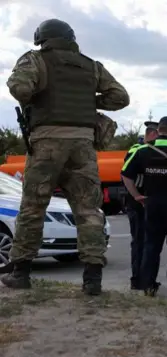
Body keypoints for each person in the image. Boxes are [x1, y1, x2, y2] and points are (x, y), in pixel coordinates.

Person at [1, 18, 130, 295]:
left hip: (47, 142)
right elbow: (120, 97)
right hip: (84, 145)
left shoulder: (36, 59)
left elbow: (20, 89)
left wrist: (41, 93)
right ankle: (92, 279)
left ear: (42, 38)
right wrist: (89, 99)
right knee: (88, 210)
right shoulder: (91, 65)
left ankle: (20, 272)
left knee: (33, 206)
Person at [121, 116, 167, 297]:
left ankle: (148, 286)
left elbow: (125, 174)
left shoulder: (142, 151)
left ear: (158, 130)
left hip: (151, 204)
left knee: (151, 246)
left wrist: (136, 195)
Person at [124, 121, 158, 290]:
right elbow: (126, 175)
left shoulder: (147, 151)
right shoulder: (137, 151)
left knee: (147, 241)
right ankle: (137, 279)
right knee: (139, 241)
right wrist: (137, 196)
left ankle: (145, 278)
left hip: (146, 202)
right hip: (137, 204)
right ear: (152, 134)